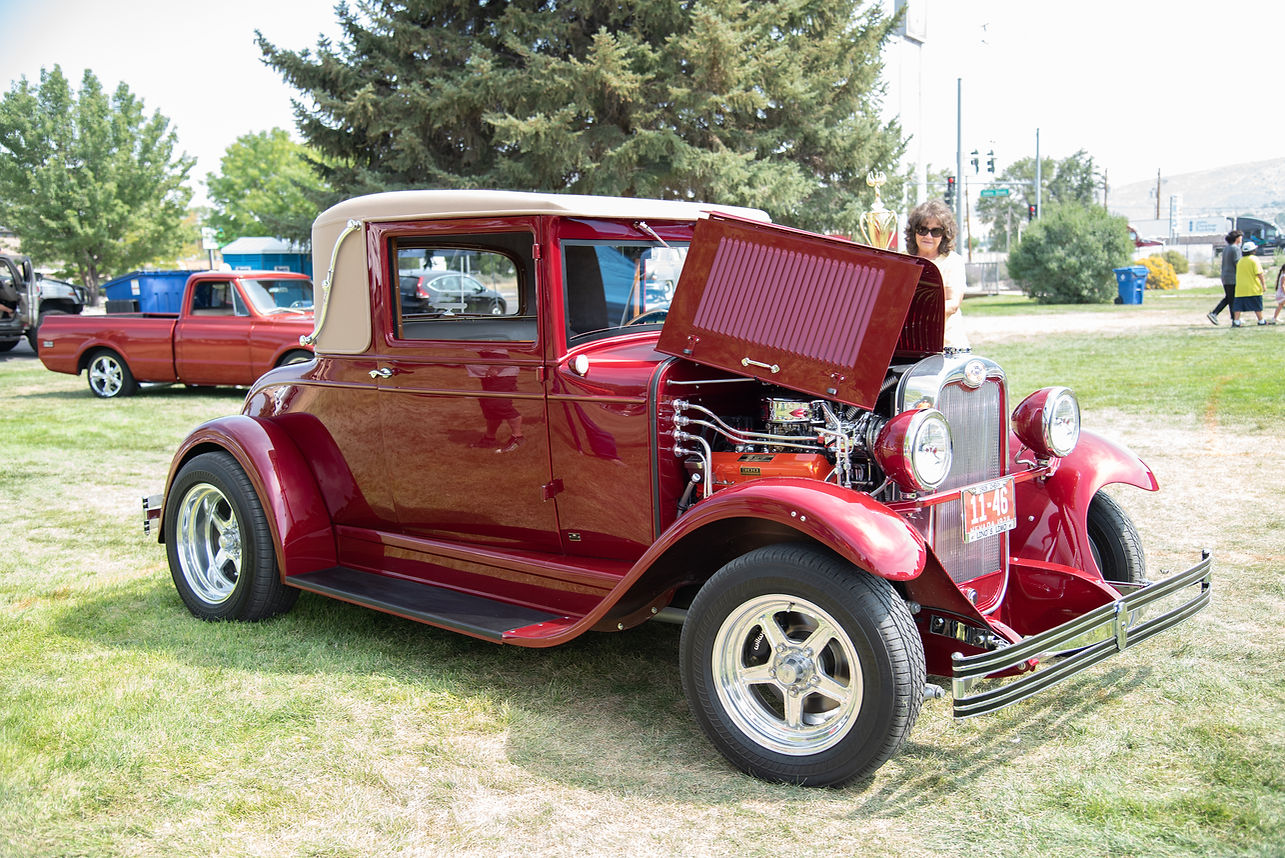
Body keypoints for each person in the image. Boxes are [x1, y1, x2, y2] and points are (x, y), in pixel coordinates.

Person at [904, 200, 968, 350]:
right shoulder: (903, 260)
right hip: (908, 345)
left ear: (944, 235)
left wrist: (918, 316)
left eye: (936, 231)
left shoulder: (954, 262)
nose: (928, 236)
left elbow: (953, 303)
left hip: (947, 346)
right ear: (914, 232)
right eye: (922, 229)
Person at [1208, 230, 1242, 325]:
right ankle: (1215, 313)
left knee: (1230, 298)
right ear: (1237, 238)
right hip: (1233, 277)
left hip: (1225, 276)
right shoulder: (1235, 249)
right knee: (1232, 299)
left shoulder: (1227, 248)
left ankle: (1234, 318)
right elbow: (1237, 263)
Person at [1231, 241, 1266, 327]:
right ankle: (1261, 320)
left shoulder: (1240, 261)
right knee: (1257, 305)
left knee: (1238, 307)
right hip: (1253, 288)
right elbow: (1259, 273)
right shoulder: (1254, 259)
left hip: (1240, 288)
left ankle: (1236, 322)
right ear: (1253, 250)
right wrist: (1263, 285)